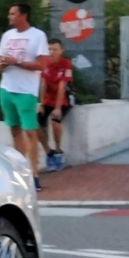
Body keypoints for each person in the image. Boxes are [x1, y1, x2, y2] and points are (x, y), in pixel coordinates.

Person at [0, 2, 51, 183]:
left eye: (13, 14)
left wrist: (17, 62)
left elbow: (42, 64)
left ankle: (34, 173)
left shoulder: (38, 35)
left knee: (30, 131)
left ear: (23, 15)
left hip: (26, 91)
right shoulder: (7, 35)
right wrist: (1, 64)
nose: (9, 17)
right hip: (7, 88)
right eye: (9, 14)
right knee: (14, 129)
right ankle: (20, 169)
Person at [38, 38, 76, 173]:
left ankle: (59, 151)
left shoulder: (66, 64)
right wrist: (41, 104)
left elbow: (62, 87)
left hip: (63, 100)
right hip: (48, 100)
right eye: (49, 49)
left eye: (54, 49)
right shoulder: (45, 63)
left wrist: (58, 108)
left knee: (55, 121)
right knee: (35, 124)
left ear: (61, 51)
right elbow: (43, 85)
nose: (52, 52)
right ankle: (49, 153)